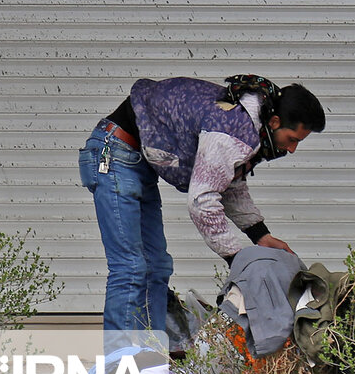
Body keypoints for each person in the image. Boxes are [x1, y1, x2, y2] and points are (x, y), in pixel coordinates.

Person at [79, 74, 325, 332]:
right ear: (275, 122)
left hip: (136, 162)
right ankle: (122, 363)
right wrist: (237, 259)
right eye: (293, 139)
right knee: (130, 267)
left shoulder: (246, 125)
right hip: (114, 153)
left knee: (157, 266)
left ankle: (148, 355)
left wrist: (260, 235)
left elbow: (226, 181)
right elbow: (203, 201)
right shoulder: (232, 130)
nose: (292, 149)